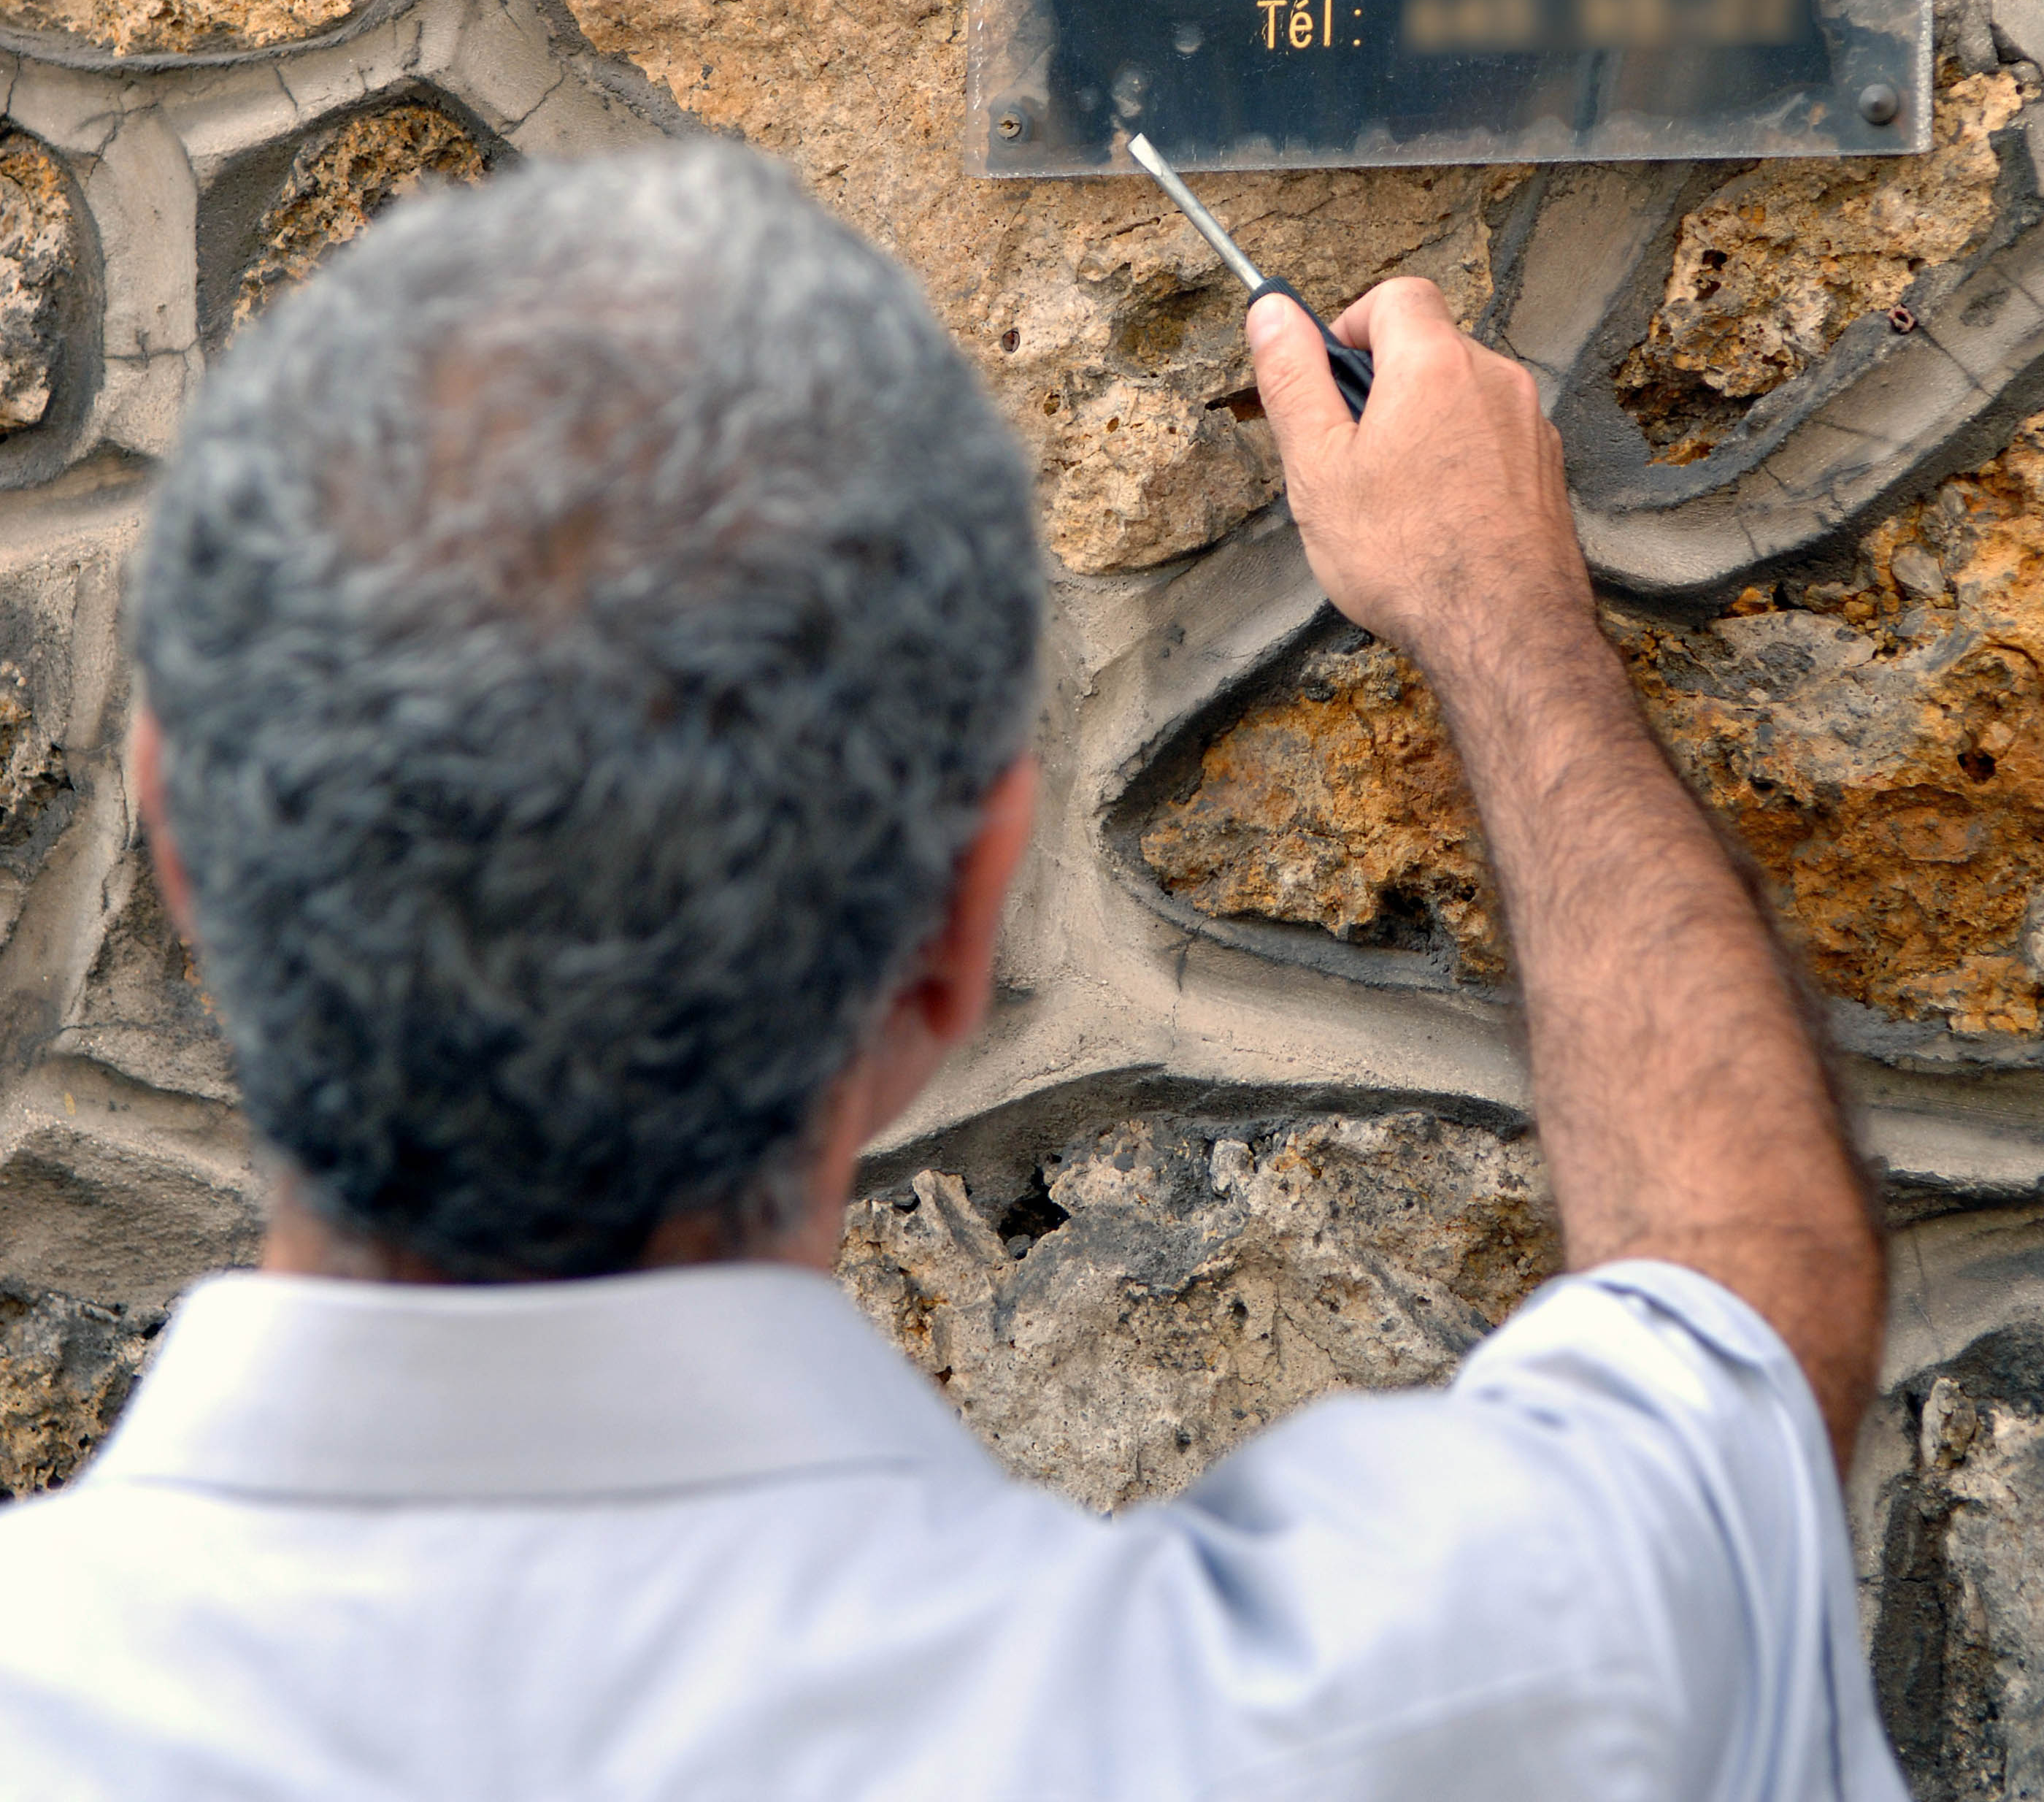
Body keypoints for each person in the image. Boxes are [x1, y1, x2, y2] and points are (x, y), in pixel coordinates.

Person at [0, 141, 1902, 1800]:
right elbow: (1745, 1317)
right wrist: (1496, 607)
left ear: (179, 842)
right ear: (961, 927)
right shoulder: (1387, 1706)